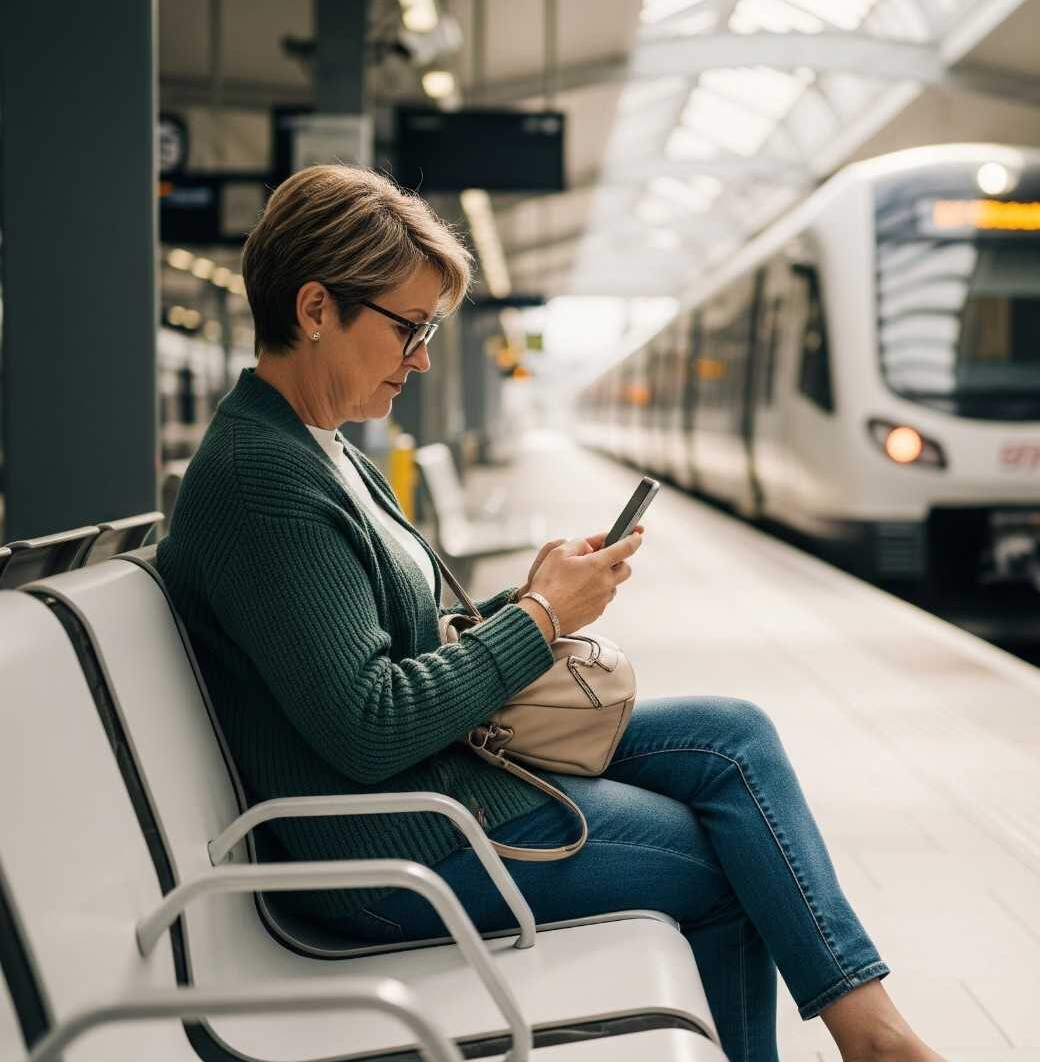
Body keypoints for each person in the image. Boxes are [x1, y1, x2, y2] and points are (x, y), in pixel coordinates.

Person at [157, 164, 945, 1062]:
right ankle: (881, 1046)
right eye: (409, 327)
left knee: (735, 739)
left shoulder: (316, 446)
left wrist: (530, 594)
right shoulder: (263, 477)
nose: (419, 357)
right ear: (314, 309)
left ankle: (876, 1034)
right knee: (732, 869)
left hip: (433, 783)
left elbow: (390, 648)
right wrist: (536, 616)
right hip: (392, 844)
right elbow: (369, 724)